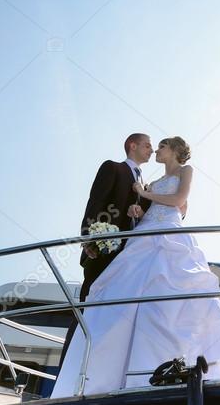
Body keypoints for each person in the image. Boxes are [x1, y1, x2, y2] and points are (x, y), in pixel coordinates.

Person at [51, 136, 220, 397]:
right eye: (151, 145)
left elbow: (179, 199)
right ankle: (109, 371)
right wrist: (137, 213)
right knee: (127, 294)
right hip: (141, 237)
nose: (156, 149)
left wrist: (144, 194)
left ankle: (169, 362)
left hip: (168, 235)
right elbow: (106, 203)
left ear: (176, 150)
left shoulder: (182, 172)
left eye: (161, 146)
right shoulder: (149, 181)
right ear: (133, 146)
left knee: (168, 291)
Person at [54, 133, 154, 373]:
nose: (151, 149)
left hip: (130, 255)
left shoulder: (146, 185)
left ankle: (102, 368)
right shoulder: (113, 168)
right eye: (147, 145)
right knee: (89, 302)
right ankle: (69, 369)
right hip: (103, 249)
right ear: (133, 145)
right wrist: (89, 236)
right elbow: (95, 201)